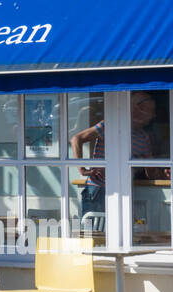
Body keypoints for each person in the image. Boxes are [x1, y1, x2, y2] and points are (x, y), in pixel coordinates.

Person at [69, 92, 162, 228]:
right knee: (94, 236)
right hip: (97, 189)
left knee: (120, 234)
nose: (153, 116)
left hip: (124, 192)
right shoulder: (108, 126)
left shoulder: (143, 137)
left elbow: (151, 173)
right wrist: (81, 168)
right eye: (150, 111)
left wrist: (153, 166)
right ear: (136, 109)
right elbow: (76, 139)